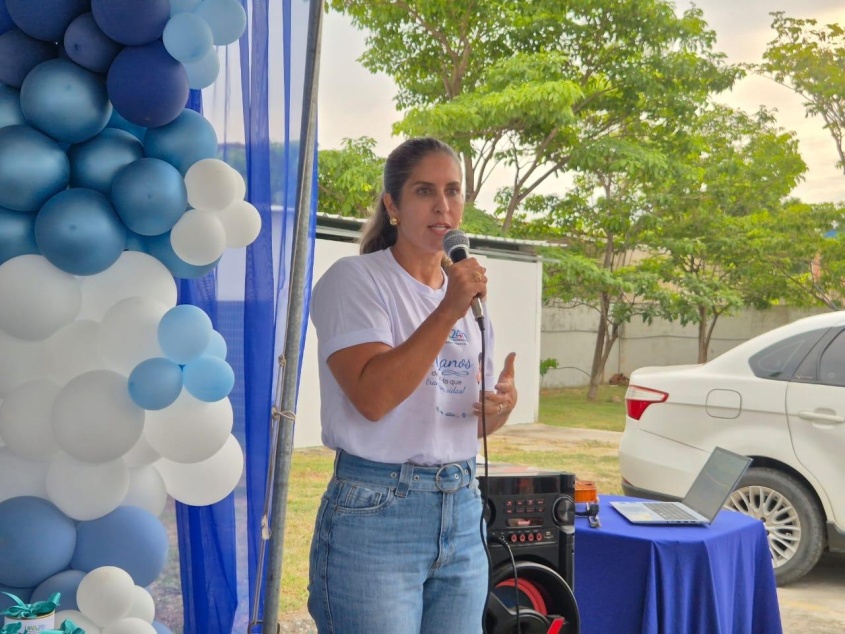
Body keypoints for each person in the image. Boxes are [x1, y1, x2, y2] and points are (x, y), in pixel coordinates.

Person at [307, 136, 518, 633]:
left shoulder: (468, 298)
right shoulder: (355, 280)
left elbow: (461, 408)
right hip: (378, 511)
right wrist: (449, 309)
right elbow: (373, 398)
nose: (443, 206)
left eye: (453, 190)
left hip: (462, 506)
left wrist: (501, 407)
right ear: (393, 205)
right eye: (425, 191)